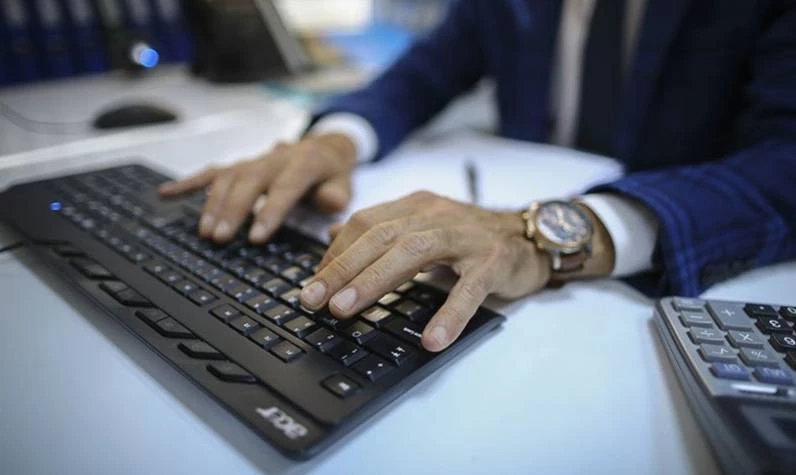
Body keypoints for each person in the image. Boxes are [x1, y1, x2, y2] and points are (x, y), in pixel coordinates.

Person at [159, 0, 796, 353]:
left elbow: (785, 161)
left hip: (665, 291)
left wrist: (554, 234)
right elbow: (421, 75)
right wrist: (336, 140)